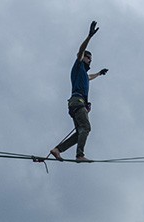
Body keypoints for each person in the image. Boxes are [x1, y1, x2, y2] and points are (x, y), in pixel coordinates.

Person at [50, 21, 109, 163]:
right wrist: (89, 37)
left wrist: (99, 74)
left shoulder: (84, 75)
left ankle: (57, 150)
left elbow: (90, 77)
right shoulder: (78, 66)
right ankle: (79, 155)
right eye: (89, 58)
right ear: (83, 57)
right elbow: (81, 50)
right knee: (86, 128)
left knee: (79, 133)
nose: (90, 61)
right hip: (77, 102)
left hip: (76, 104)